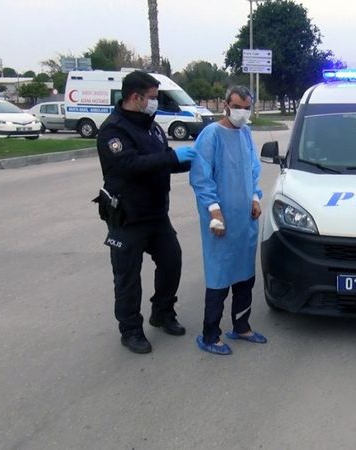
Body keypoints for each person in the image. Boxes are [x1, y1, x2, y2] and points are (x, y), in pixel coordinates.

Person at [95, 70, 196, 354]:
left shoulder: (152, 126)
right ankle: (130, 330)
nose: (155, 102)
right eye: (152, 97)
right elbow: (130, 165)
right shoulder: (113, 130)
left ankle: (162, 312)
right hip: (127, 216)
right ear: (136, 97)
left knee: (172, 261)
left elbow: (162, 160)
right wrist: (171, 157)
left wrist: (189, 160)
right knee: (128, 277)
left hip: (156, 214)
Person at [189, 86, 267, 356]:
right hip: (220, 221)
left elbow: (253, 171)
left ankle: (241, 326)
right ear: (226, 105)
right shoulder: (211, 135)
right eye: (238, 106)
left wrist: (256, 198)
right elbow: (201, 176)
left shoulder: (246, 133)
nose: (242, 113)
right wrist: (214, 210)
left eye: (247, 107)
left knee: (245, 276)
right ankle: (210, 335)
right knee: (220, 277)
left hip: (245, 220)